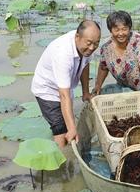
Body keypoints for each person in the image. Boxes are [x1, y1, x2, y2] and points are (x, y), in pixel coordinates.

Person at [31, 20, 101, 148]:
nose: (92, 48)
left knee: (67, 123)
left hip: (65, 85)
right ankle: (62, 160)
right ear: (77, 37)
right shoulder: (63, 54)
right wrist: (72, 129)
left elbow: (85, 65)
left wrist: (85, 92)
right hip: (47, 90)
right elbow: (64, 95)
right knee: (61, 129)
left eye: (96, 43)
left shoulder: (86, 47)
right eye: (89, 43)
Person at [93, 11, 140, 105]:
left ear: (129, 28)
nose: (121, 33)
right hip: (124, 85)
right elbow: (103, 67)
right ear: (110, 30)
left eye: (124, 29)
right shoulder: (106, 47)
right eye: (116, 30)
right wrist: (98, 86)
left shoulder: (138, 41)